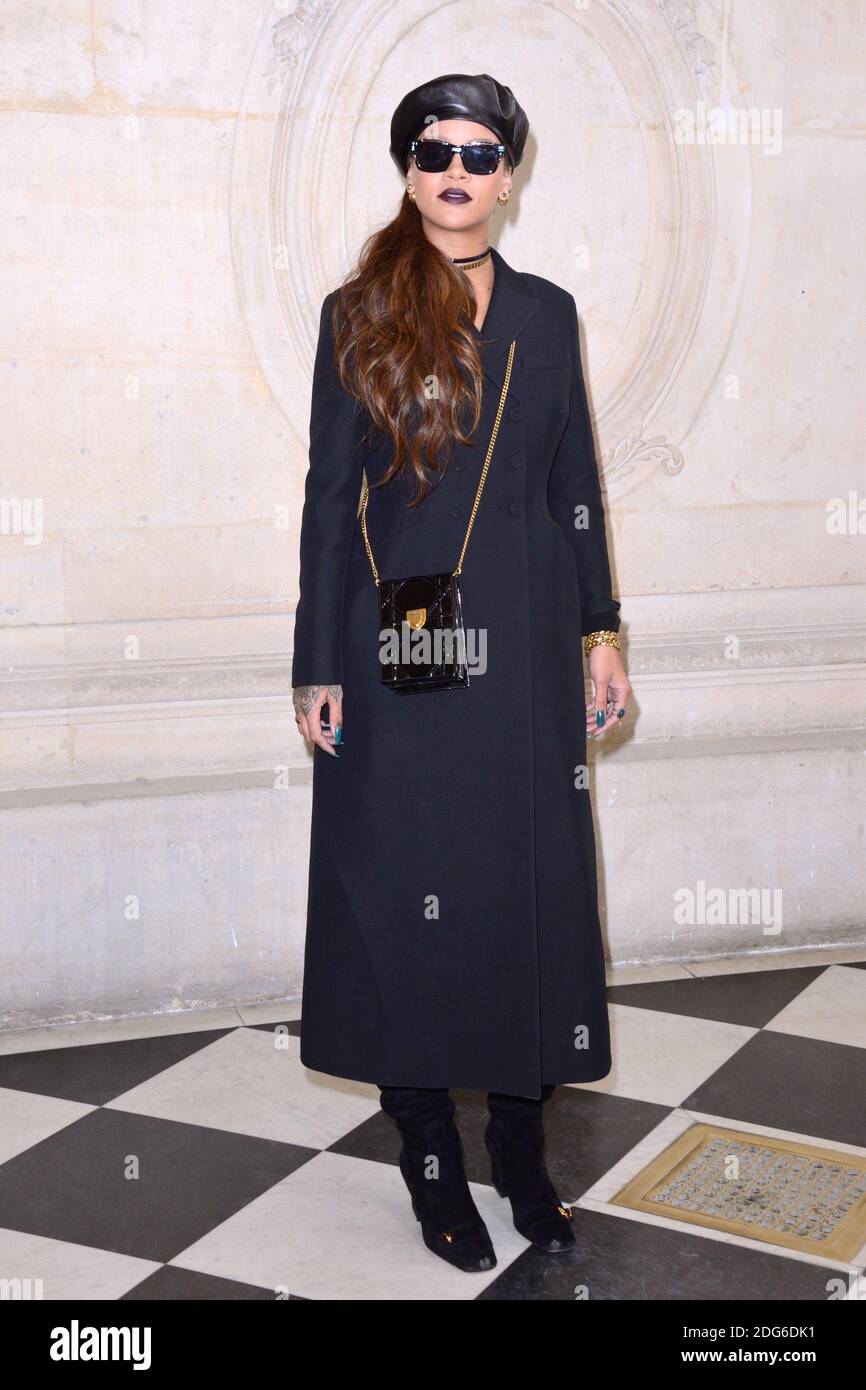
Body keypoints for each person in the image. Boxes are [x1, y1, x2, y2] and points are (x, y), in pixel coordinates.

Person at [292, 73, 631, 1273]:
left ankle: (523, 1150)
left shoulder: (547, 311)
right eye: (433, 149)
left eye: (480, 153)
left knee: (519, 891)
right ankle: (429, 1145)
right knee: (404, 891)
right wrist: (315, 663)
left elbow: (572, 487)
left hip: (526, 656)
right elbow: (330, 502)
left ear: (508, 172)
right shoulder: (358, 312)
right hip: (399, 651)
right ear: (406, 167)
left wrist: (599, 631)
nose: (455, 169)